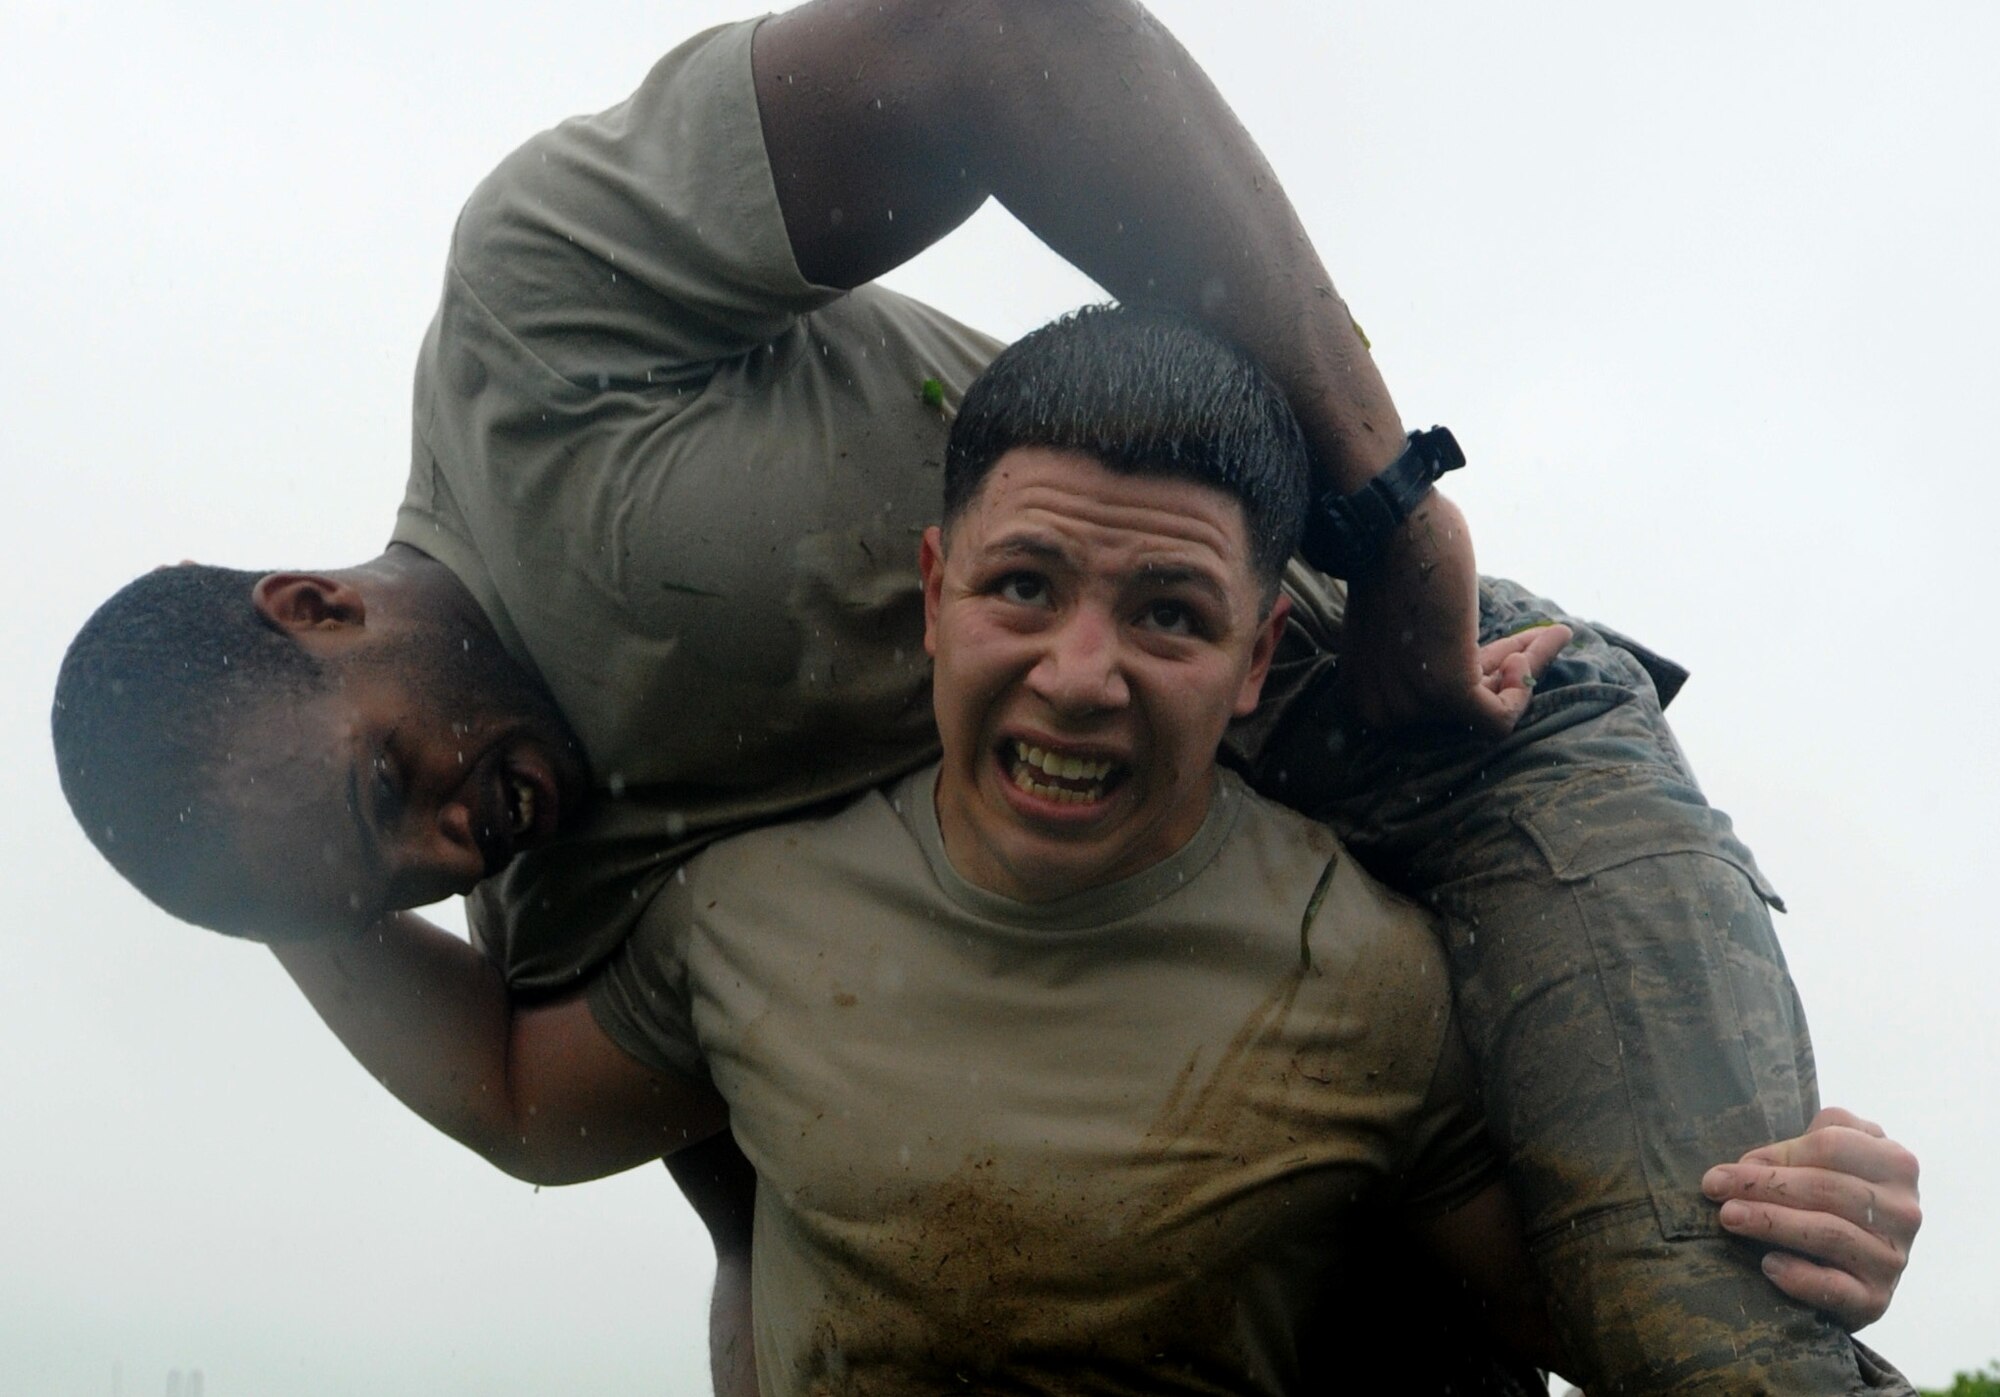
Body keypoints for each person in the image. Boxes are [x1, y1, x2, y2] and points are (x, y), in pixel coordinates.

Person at [50, 3, 1917, 1391]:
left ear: (311, 604)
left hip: (1453, 724)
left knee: (1709, 1326)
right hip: (1225, 1018)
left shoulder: (541, 337)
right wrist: (279, 885)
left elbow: (1001, 34)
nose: (454, 842)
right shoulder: (585, 896)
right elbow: (783, 1222)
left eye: (391, 787)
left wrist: (1397, 531)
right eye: (389, 885)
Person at [267, 307, 1627, 1389]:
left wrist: (1822, 1213)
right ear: (935, 594)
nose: (1080, 674)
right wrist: (264, 873)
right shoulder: (746, 911)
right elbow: (520, 1100)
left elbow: (1585, 1315)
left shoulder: (1372, 975)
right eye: (1024, 586)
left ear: (1259, 657)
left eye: (1169, 613)